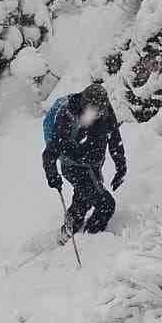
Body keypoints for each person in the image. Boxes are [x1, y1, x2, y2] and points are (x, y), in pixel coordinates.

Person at [42, 82, 127, 239]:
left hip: (93, 165)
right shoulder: (68, 117)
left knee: (84, 199)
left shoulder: (105, 109)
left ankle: (69, 231)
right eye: (95, 110)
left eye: (101, 109)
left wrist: (121, 166)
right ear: (84, 105)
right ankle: (89, 240)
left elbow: (114, 137)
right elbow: (49, 153)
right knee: (106, 205)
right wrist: (52, 175)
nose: (99, 113)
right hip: (72, 166)